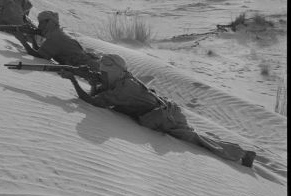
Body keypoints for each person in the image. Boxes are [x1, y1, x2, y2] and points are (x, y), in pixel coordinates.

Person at [59, 54, 256, 167]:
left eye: (105, 73)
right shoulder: (122, 81)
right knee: (198, 137)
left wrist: (73, 80)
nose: (102, 75)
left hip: (165, 116)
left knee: (198, 141)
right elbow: (99, 98)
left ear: (117, 72)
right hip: (163, 113)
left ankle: (241, 155)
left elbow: (92, 102)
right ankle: (239, 152)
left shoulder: (125, 88)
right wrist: (93, 82)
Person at [14, 10, 99, 70]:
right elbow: (40, 51)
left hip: (90, 66)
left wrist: (22, 41)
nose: (39, 26)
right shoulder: (56, 33)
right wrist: (32, 38)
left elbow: (40, 56)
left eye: (41, 23)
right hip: (88, 64)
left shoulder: (55, 37)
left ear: (49, 22)